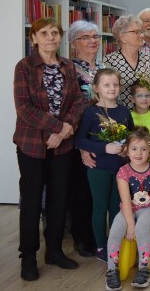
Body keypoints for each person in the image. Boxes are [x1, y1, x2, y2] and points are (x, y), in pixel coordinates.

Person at [14, 17, 83, 281]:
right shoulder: (25, 67)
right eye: (44, 33)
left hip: (63, 145)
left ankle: (54, 250)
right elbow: (24, 107)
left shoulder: (68, 66)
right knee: (32, 201)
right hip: (32, 144)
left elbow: (78, 100)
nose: (50, 37)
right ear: (34, 38)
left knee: (59, 198)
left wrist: (66, 129)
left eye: (55, 33)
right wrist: (57, 127)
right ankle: (28, 256)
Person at [75, 68, 134, 263]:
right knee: (100, 208)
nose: (112, 88)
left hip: (121, 170)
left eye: (115, 85)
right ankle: (101, 245)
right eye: (107, 85)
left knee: (117, 207)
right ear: (96, 88)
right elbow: (79, 140)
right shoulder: (91, 112)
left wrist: (127, 149)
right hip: (98, 168)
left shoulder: (124, 111)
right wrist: (103, 148)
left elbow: (132, 138)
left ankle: (115, 243)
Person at [104, 128, 150, 290]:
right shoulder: (123, 172)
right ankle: (112, 271)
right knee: (115, 230)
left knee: (142, 227)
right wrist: (129, 224)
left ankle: (144, 268)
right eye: (134, 149)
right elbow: (125, 201)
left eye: (143, 149)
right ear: (127, 150)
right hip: (128, 210)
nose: (138, 153)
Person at [68, 20, 103, 258]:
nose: (92, 41)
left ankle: (98, 234)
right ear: (73, 44)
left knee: (97, 190)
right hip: (79, 137)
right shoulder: (69, 69)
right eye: (86, 37)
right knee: (81, 190)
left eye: (96, 36)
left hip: (103, 138)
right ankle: (82, 238)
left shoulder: (103, 67)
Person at [103, 15, 150, 111]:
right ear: (122, 37)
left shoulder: (149, 60)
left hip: (147, 119)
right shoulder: (108, 62)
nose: (142, 35)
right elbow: (106, 95)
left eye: (141, 31)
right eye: (136, 32)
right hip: (120, 120)